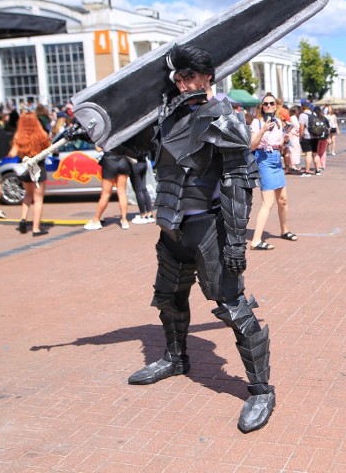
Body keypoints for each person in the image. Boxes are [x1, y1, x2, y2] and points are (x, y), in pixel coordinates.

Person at [127, 44, 274, 433]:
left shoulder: (222, 116)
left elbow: (239, 181)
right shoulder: (166, 116)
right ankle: (176, 358)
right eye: (178, 77)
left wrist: (237, 242)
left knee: (232, 306)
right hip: (171, 227)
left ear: (208, 77)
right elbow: (139, 150)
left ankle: (261, 389)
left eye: (191, 76)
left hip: (209, 229)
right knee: (170, 299)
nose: (184, 83)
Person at [249, 93, 298, 250]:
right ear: (261, 107)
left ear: (276, 105)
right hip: (263, 160)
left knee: (283, 199)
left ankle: (284, 230)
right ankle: (256, 240)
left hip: (276, 159)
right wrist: (263, 130)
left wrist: (285, 140)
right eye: (266, 104)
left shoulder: (278, 122)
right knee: (268, 202)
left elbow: (281, 146)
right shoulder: (257, 123)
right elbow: (252, 145)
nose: (269, 106)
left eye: (271, 103)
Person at [7, 113, 51, 236]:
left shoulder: (18, 136)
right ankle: (36, 228)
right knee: (38, 199)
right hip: (38, 168)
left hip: (25, 168)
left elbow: (12, 153)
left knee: (28, 195)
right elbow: (48, 150)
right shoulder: (42, 135)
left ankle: (23, 219)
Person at [84, 149, 131, 230]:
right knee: (122, 192)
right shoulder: (123, 135)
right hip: (123, 160)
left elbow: (98, 149)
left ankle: (96, 219)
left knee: (105, 194)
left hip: (109, 161)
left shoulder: (105, 135)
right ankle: (124, 220)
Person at [128, 147, 155, 224]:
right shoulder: (142, 138)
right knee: (143, 188)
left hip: (135, 163)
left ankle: (143, 214)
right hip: (143, 161)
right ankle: (149, 212)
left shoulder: (131, 139)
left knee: (138, 190)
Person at [298, 102, 319, 176]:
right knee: (315, 153)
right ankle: (317, 170)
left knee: (308, 154)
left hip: (307, 136)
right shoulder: (314, 114)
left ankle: (307, 171)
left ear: (302, 107)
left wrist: (300, 137)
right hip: (315, 136)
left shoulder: (302, 115)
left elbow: (301, 128)